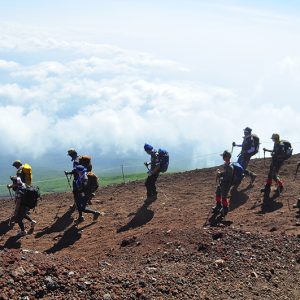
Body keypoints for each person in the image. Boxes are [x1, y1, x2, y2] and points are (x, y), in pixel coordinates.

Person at [262, 133, 286, 199]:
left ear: (276, 138)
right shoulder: (276, 143)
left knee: (273, 175)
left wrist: (274, 154)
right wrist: (267, 150)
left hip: (278, 162)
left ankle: (280, 186)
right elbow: (275, 151)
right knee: (270, 174)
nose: (272, 140)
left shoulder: (281, 145)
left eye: (273, 138)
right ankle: (267, 187)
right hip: (274, 161)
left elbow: (282, 154)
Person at [212, 150, 234, 217]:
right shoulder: (226, 165)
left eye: (224, 156)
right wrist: (220, 174)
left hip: (226, 184)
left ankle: (225, 209)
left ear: (227, 157)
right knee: (218, 193)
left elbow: (228, 177)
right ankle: (218, 205)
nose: (223, 158)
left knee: (224, 196)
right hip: (222, 182)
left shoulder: (230, 167)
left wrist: (220, 175)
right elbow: (225, 173)